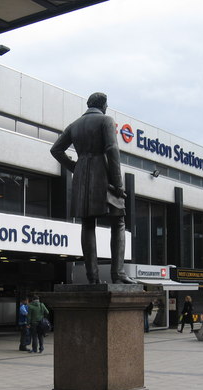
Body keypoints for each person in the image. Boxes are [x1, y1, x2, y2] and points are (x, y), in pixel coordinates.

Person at [50, 92, 134, 285]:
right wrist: (118, 184)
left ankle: (93, 277)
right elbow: (112, 150)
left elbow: (56, 150)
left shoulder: (74, 125)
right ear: (103, 105)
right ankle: (118, 273)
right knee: (119, 220)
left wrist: (75, 167)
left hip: (82, 178)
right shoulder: (105, 120)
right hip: (103, 176)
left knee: (87, 224)